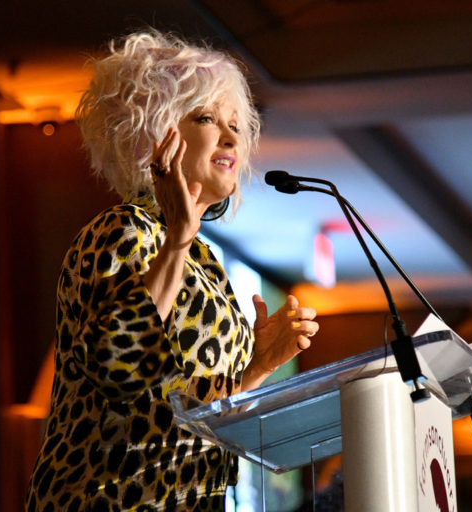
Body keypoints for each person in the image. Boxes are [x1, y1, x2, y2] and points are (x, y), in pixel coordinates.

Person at [25, 31, 319, 512]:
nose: (231, 138)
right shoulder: (123, 231)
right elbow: (120, 369)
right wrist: (179, 237)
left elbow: (190, 411)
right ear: (158, 134)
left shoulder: (205, 263)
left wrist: (258, 368)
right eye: (207, 118)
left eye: (236, 125)